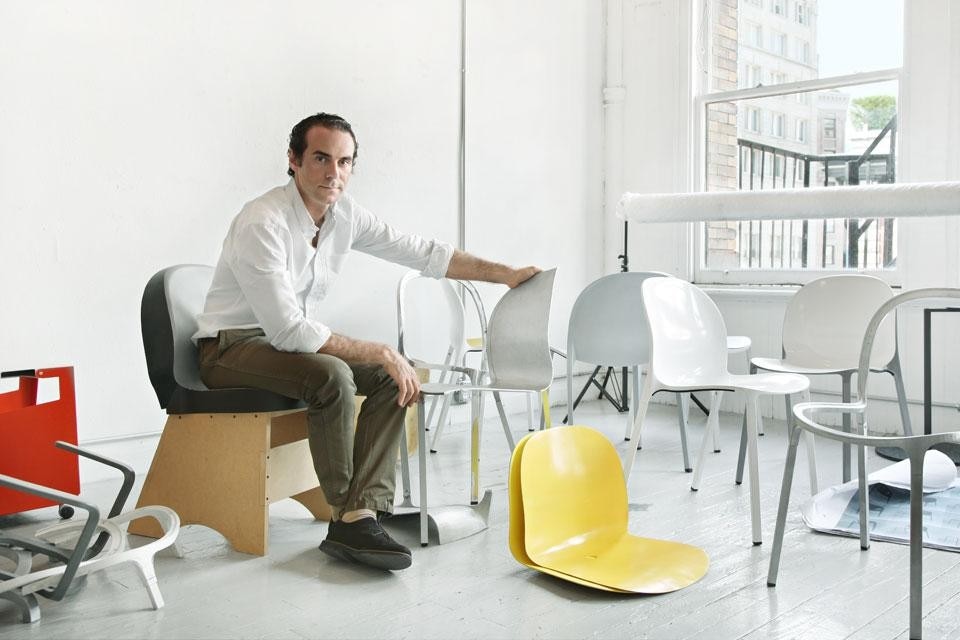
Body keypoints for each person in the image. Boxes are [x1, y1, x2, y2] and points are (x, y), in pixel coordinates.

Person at [193, 112, 539, 571]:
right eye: (320, 158)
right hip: (229, 348)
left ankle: (365, 508)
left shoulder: (344, 217)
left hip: (279, 346)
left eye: (344, 161)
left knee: (393, 377)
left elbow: (423, 252)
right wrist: (380, 348)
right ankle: (347, 516)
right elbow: (288, 331)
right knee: (335, 373)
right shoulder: (263, 221)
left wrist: (506, 275)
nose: (333, 173)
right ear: (293, 161)